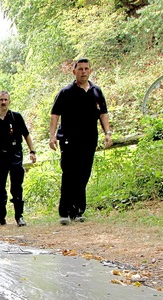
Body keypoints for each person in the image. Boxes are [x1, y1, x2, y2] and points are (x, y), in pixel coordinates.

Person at [49, 58, 112, 225]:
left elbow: (103, 114)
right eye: (80, 69)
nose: (83, 71)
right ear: (74, 72)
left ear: (90, 71)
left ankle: (78, 211)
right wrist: (52, 135)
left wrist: (108, 133)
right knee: (69, 174)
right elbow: (55, 114)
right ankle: (65, 212)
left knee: (83, 175)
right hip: (69, 140)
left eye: (86, 69)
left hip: (89, 139)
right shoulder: (66, 92)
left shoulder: (97, 92)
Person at [0, 91, 36, 227]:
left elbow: (26, 135)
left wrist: (32, 151)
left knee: (16, 187)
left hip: (15, 155)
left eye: (6, 99)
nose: (3, 102)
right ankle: (0, 218)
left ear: (9, 101)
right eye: (1, 100)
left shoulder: (16, 117)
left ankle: (19, 216)